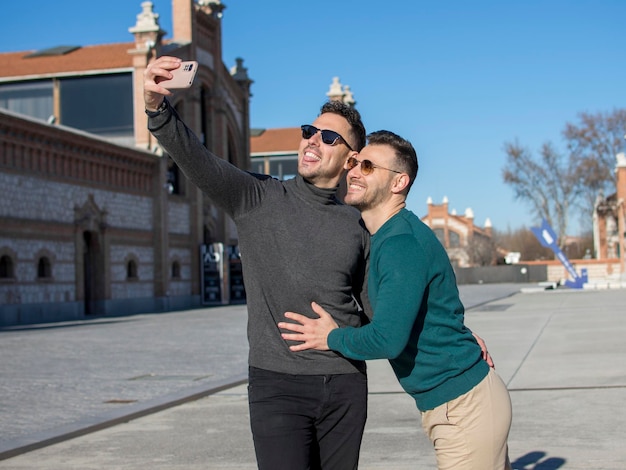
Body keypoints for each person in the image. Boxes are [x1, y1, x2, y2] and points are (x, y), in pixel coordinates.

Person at [143, 56, 371, 470]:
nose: (312, 141)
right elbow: (197, 159)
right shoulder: (258, 198)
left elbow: (382, 312)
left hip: (345, 385)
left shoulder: (359, 224)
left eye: (328, 138)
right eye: (308, 132)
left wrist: (454, 345)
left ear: (351, 160)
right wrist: (157, 108)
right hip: (277, 386)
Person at [278, 130, 513, 470]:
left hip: (463, 408)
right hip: (460, 403)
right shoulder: (390, 236)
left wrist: (330, 336)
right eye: (355, 163)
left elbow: (387, 338)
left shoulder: (400, 243)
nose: (354, 171)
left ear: (399, 182)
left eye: (369, 166)